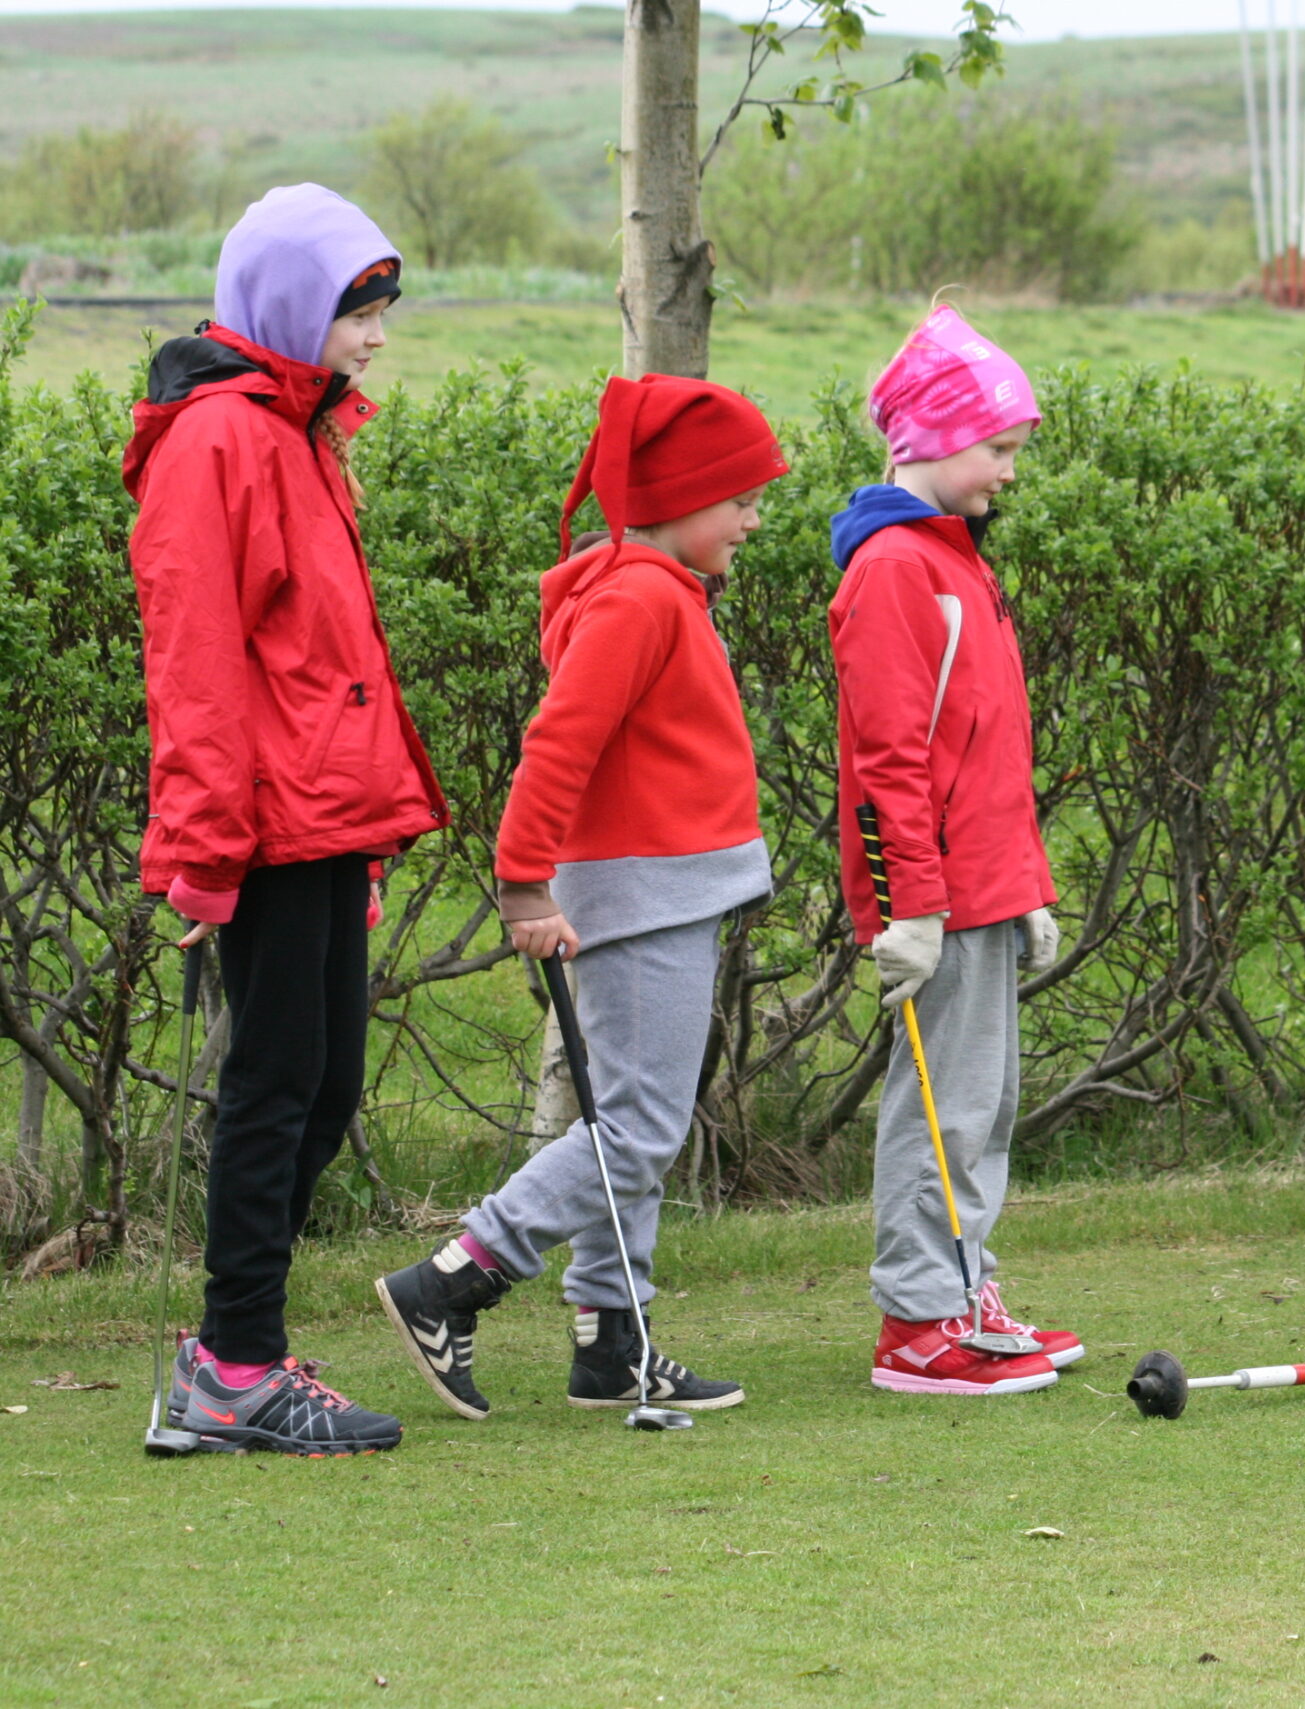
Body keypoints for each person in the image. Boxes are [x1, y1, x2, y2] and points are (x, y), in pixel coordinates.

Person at [374, 375, 788, 1420]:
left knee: (625, 1115)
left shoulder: (655, 590)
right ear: (681, 497)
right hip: (641, 894)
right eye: (740, 499)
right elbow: (558, 743)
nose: (753, 519)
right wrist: (521, 883)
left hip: (662, 890)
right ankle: (454, 1277)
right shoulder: (641, 598)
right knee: (640, 1126)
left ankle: (612, 1334)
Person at [129, 184, 447, 1454]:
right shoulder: (220, 440)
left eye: (380, 310)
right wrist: (204, 849)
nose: (376, 335)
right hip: (261, 826)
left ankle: (233, 1350)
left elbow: (324, 660)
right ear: (289, 304)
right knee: (274, 1088)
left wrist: (365, 835)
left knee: (320, 1090)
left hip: (321, 820)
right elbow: (197, 663)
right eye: (357, 310)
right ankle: (236, 1363)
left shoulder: (298, 429)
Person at [831, 305, 1071, 1396]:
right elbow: (891, 758)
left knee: (983, 1108)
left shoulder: (955, 559)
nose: (1008, 472)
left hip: (985, 887)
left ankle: (967, 1289)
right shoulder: (895, 568)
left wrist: (1027, 886)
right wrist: (911, 908)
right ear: (930, 439)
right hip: (940, 899)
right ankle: (919, 1321)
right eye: (996, 448)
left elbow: (987, 747)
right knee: (942, 1112)